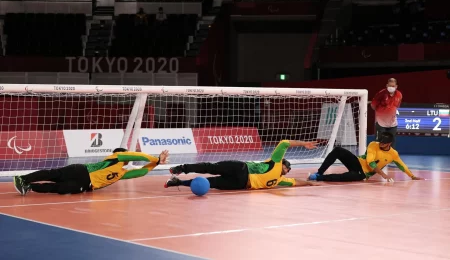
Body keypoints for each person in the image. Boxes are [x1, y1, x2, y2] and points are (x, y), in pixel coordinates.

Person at [164, 139, 319, 190]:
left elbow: (295, 182)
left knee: (210, 184)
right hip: (241, 168)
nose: (289, 170)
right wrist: (304, 144)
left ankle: (177, 183)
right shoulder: (276, 163)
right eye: (288, 167)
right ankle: (181, 168)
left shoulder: (280, 181)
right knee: (210, 167)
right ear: (283, 164)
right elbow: (284, 143)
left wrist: (309, 184)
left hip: (241, 183)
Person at [13, 148, 169, 195]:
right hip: (81, 171)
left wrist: (155, 165)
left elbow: (141, 172)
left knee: (57, 188)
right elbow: (138, 156)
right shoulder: (115, 157)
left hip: (85, 185)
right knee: (52, 174)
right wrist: (156, 159)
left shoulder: (121, 173)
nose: (128, 156)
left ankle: (28, 187)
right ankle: (22, 178)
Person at [307, 132, 423, 182]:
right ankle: (319, 173)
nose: (380, 144)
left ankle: (318, 178)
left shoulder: (393, 154)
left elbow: (402, 166)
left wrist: (412, 176)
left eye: (383, 143)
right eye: (380, 142)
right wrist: (383, 175)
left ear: (389, 144)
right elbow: (370, 162)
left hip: (363, 174)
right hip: (357, 162)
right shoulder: (373, 144)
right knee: (338, 150)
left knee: (343, 177)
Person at [371, 78, 402, 148]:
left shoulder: (399, 94)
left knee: (392, 142)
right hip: (381, 123)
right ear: (387, 85)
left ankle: (390, 158)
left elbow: (397, 106)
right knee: (380, 142)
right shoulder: (381, 94)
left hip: (392, 123)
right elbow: (373, 105)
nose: (391, 88)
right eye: (390, 86)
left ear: (396, 86)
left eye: (393, 86)